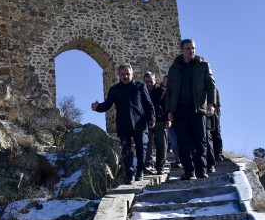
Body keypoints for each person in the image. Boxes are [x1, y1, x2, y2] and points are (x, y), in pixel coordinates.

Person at [92, 64, 155, 183]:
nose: (125, 76)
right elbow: (107, 105)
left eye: (128, 74)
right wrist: (97, 107)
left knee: (141, 146)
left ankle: (140, 170)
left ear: (132, 74)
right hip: (123, 124)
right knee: (126, 149)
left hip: (140, 122)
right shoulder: (114, 89)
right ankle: (130, 173)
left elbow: (148, 104)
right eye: (123, 74)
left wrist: (151, 119)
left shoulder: (140, 86)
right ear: (119, 75)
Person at [164, 39, 216, 180]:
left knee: (200, 140)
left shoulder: (203, 65)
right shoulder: (174, 68)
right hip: (179, 110)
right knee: (182, 141)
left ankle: (201, 170)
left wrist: (211, 104)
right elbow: (169, 91)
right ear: (182, 50)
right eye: (188, 48)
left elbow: (211, 86)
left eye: (193, 48)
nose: (191, 51)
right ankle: (188, 171)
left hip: (197, 109)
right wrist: (169, 110)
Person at [142, 72, 167, 174]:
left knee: (161, 144)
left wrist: (168, 119)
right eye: (146, 82)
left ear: (155, 81)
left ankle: (160, 166)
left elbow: (167, 106)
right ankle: (148, 164)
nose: (149, 84)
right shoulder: (141, 92)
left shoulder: (162, 91)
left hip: (160, 120)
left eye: (151, 81)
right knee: (146, 143)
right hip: (146, 121)